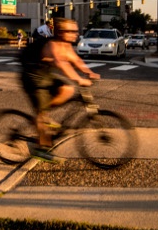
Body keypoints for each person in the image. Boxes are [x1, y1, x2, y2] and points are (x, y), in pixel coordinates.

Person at [20, 17, 100, 162]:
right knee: (42, 114)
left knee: (67, 89)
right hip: (32, 76)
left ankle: (42, 116)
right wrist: (79, 79)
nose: (75, 33)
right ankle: (41, 149)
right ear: (61, 32)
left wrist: (88, 72)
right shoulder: (53, 45)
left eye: (76, 31)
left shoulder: (67, 46)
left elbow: (76, 61)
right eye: (71, 31)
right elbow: (61, 64)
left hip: (44, 74)